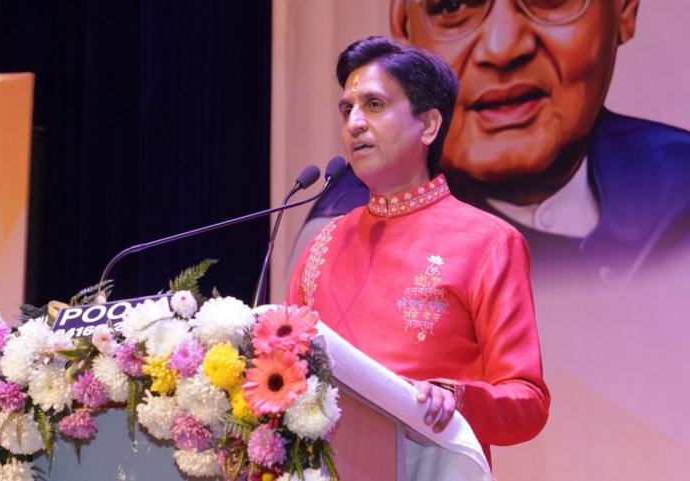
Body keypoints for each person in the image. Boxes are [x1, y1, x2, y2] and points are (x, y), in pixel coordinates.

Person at [286, 36, 549, 468]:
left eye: (373, 105)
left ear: (428, 125)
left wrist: (455, 399)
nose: (354, 123)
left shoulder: (487, 241)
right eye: (347, 110)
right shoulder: (323, 244)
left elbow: (528, 403)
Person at [295, 0, 690, 285]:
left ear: (624, 9)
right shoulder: (338, 238)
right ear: (405, 28)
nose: (503, 48)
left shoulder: (678, 179)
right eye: (454, 6)